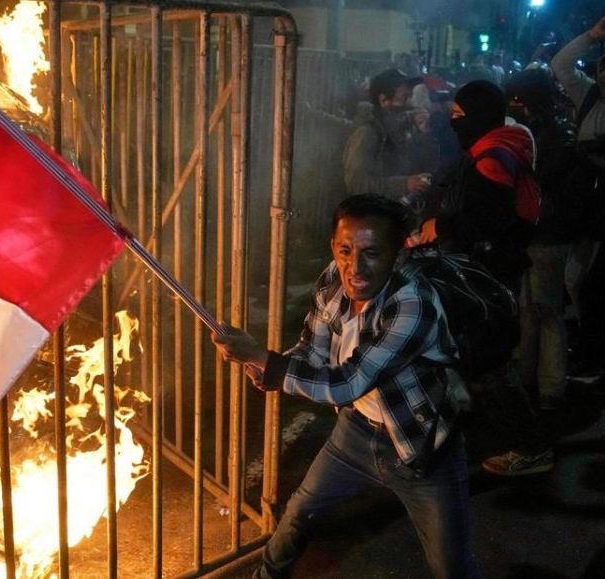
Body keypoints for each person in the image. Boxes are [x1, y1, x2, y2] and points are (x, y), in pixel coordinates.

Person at [212, 194, 479, 579]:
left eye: (372, 252)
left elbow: (347, 383)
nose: (356, 267)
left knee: (451, 567)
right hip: (356, 433)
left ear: (398, 253)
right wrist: (267, 364)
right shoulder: (334, 279)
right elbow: (313, 351)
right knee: (298, 515)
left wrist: (266, 361)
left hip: (420, 446)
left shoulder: (413, 303)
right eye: (345, 249)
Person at [418, 80, 554, 477]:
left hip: (488, 275)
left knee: (491, 361)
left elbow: (486, 222)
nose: (453, 123)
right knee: (471, 353)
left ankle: (531, 446)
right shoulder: (501, 144)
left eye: (459, 117)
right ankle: (456, 422)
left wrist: (440, 225)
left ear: (478, 116)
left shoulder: (493, 158)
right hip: (490, 271)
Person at [505, 69, 579, 412]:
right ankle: (532, 381)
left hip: (546, 233)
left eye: (519, 99)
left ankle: (549, 387)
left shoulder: (545, 135)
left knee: (544, 310)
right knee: (531, 309)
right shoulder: (558, 129)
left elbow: (539, 181)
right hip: (546, 231)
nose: (515, 105)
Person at [551, 17, 605, 382]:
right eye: (604, 69)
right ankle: (594, 346)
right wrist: (592, 36)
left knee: (594, 284)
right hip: (586, 204)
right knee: (577, 278)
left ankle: (596, 353)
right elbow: (560, 65)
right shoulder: (587, 94)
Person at [342, 68, 436, 207]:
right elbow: (357, 184)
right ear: (384, 100)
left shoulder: (406, 130)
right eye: (405, 97)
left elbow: (424, 167)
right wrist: (404, 184)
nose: (411, 103)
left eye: (411, 94)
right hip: (376, 216)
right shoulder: (367, 133)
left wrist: (425, 135)